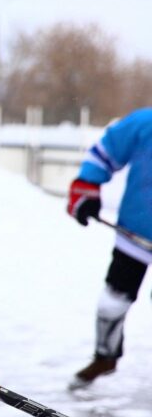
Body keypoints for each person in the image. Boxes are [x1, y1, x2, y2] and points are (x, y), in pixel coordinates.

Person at [66, 108, 152, 389]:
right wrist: (87, 187)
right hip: (136, 232)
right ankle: (105, 357)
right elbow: (105, 152)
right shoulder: (145, 123)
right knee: (111, 303)